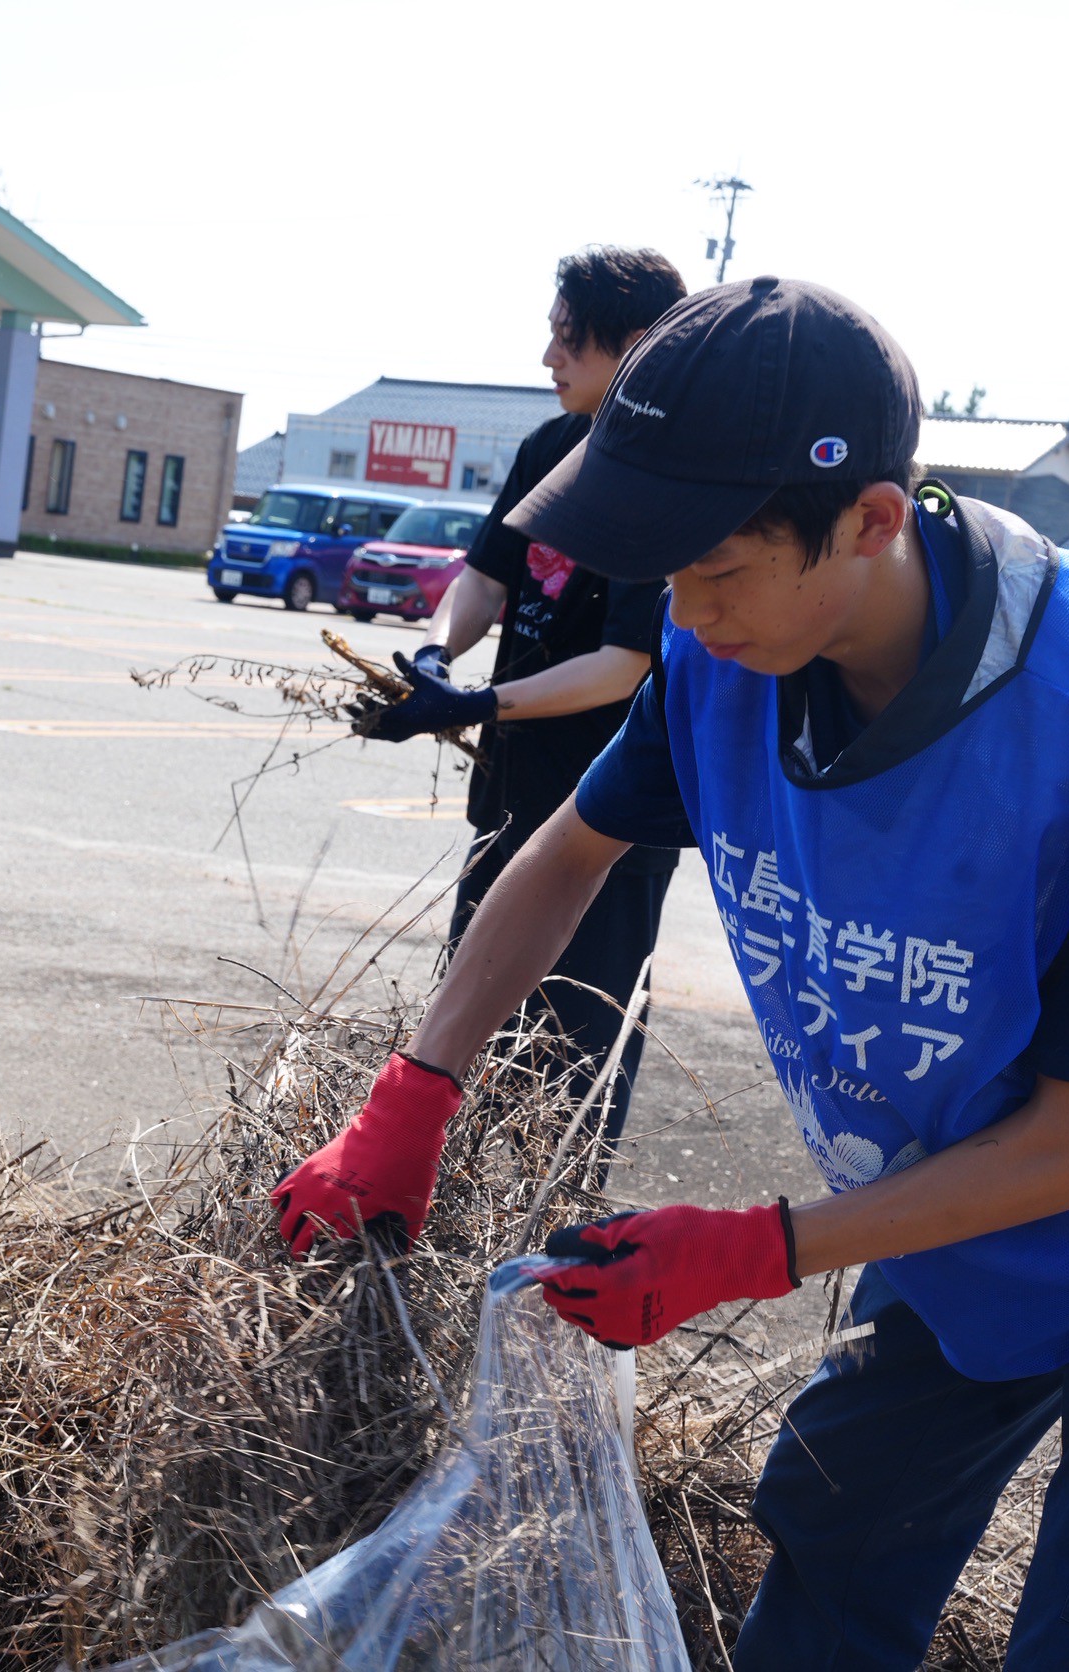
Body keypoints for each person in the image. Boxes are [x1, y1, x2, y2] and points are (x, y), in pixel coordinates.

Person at [277, 277, 1069, 1668]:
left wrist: (756, 1247)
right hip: (976, 1154)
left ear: (872, 521)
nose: (684, 622)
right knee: (840, 1521)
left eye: (717, 574)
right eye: (667, 582)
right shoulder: (728, 661)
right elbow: (571, 856)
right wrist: (414, 1095)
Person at [352, 247, 689, 1143]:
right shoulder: (550, 447)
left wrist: (475, 707)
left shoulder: (670, 477)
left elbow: (626, 665)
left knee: (574, 1053)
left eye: (570, 341)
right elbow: (487, 576)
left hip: (613, 816)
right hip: (511, 802)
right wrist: (432, 656)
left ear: (641, 345)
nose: (550, 359)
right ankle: (441, 1200)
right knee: (468, 1030)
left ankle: (545, 1238)